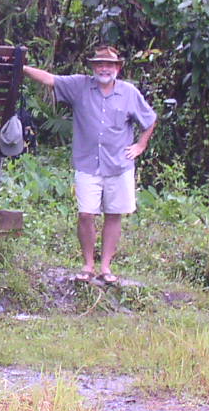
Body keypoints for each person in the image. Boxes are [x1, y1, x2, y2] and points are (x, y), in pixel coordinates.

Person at [23, 45, 157, 285]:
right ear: (92, 67)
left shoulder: (129, 92)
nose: (104, 68)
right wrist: (19, 67)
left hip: (119, 164)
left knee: (114, 215)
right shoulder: (80, 86)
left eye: (109, 64)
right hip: (87, 163)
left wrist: (140, 146)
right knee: (86, 214)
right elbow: (49, 79)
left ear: (118, 67)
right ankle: (88, 265)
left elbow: (150, 119)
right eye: (99, 64)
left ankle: (105, 267)